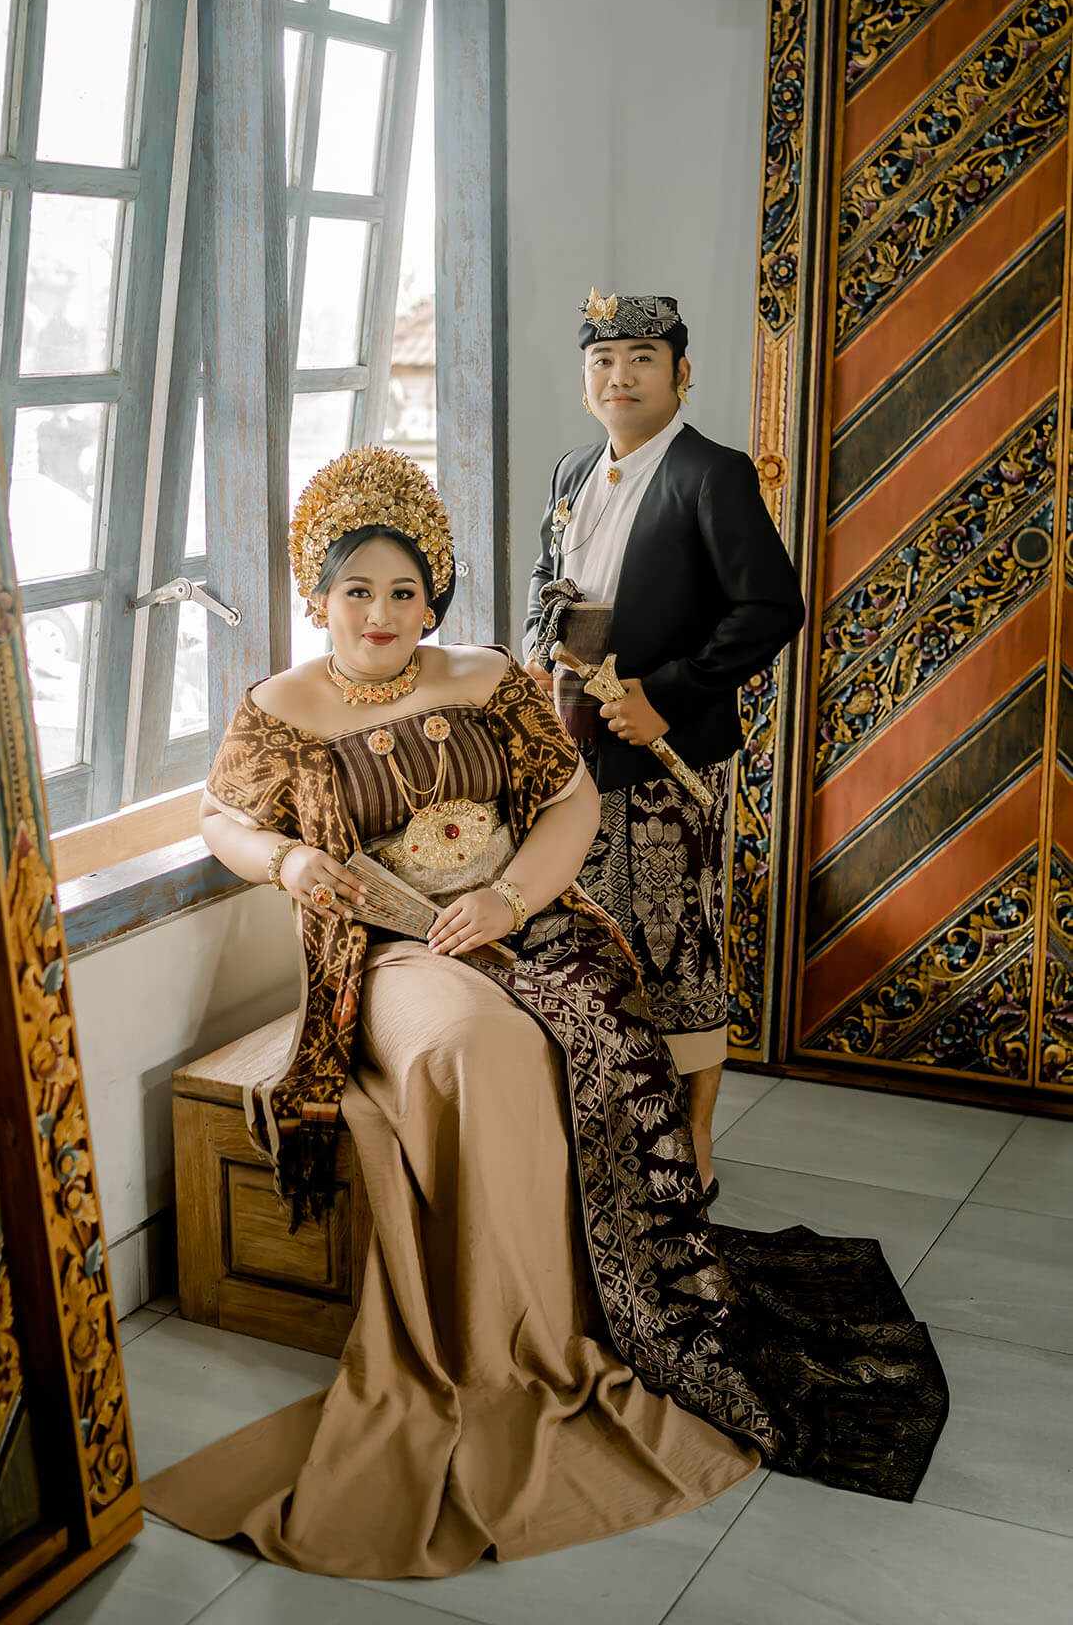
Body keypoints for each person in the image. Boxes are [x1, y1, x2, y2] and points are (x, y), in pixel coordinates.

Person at [143, 445, 944, 1580]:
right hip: (386, 951)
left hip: (524, 922)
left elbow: (570, 802)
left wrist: (509, 898)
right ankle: (498, 1337)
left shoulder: (485, 678)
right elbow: (220, 816)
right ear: (317, 595)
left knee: (599, 1034)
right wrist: (284, 861)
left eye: (405, 591)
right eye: (357, 590)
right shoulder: (279, 708)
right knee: (480, 1047)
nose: (381, 614)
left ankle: (589, 1307)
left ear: (435, 599)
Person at [524, 291, 804, 1200]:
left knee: (674, 940)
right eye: (603, 361)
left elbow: (770, 607)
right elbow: (546, 580)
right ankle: (613, 1129)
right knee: (590, 936)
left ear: (681, 374)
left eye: (642, 358)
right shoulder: (572, 468)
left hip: (660, 750)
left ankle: (693, 1140)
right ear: (585, 380)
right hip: (574, 743)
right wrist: (535, 655)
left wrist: (668, 697)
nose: (621, 376)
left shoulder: (710, 472)